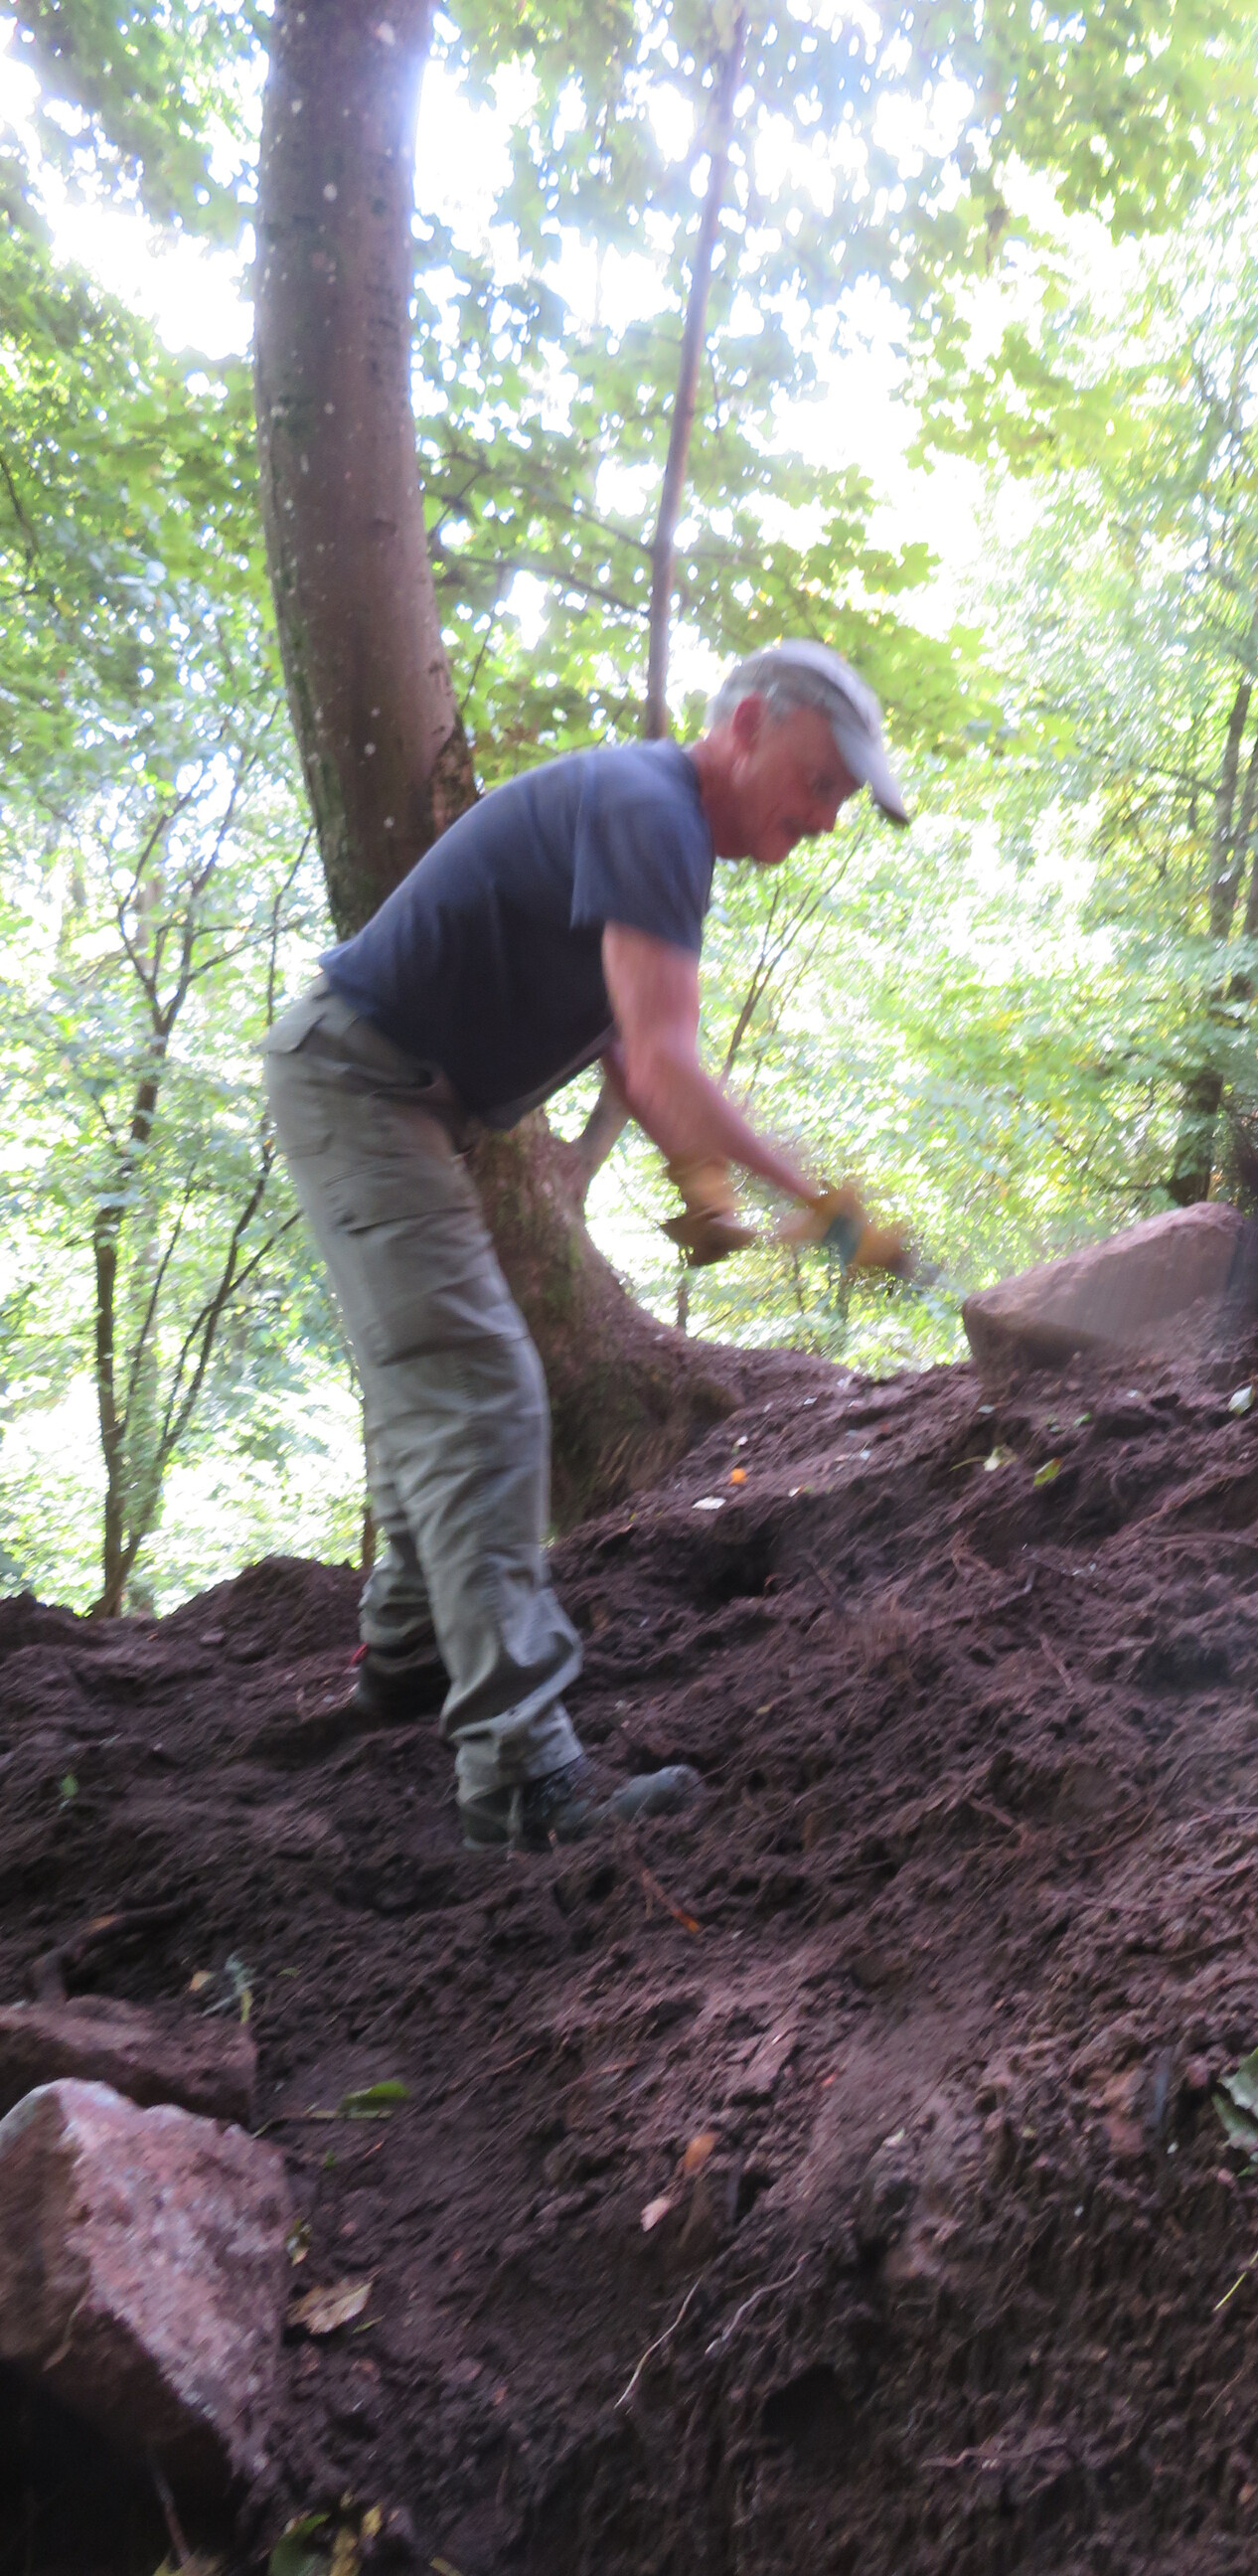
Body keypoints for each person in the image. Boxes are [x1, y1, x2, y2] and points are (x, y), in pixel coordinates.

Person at [261, 640, 908, 1851]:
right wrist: (823, 1206)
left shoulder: (657, 826)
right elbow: (661, 1062)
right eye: (820, 783)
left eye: (840, 801)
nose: (827, 819)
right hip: (359, 1085)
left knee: (443, 1381)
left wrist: (701, 1180)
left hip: (391, 1095)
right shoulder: (650, 809)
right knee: (482, 1394)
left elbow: (622, 1044)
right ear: (748, 727)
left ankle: (407, 1658)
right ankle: (523, 1784)